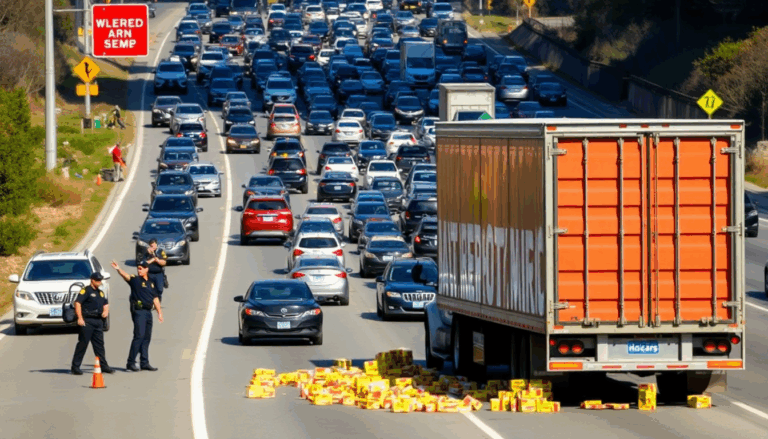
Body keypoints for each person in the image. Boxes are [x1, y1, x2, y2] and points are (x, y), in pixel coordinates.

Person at [111, 260, 164, 372]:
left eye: (141, 268)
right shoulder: (135, 280)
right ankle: (130, 362)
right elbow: (126, 276)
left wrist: (159, 312)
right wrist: (118, 269)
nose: (139, 269)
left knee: (146, 338)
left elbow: (155, 298)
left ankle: (144, 362)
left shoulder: (151, 282)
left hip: (148, 312)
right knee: (139, 336)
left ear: (146, 269)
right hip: (139, 312)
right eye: (138, 268)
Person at [70, 272, 114, 375]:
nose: (99, 282)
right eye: (97, 280)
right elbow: (77, 303)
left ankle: (104, 366)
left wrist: (105, 311)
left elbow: (105, 303)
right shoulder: (86, 291)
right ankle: (75, 367)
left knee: (99, 345)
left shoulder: (100, 292)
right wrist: (80, 318)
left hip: (98, 321)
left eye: (100, 280)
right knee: (83, 344)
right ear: (92, 280)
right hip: (87, 320)